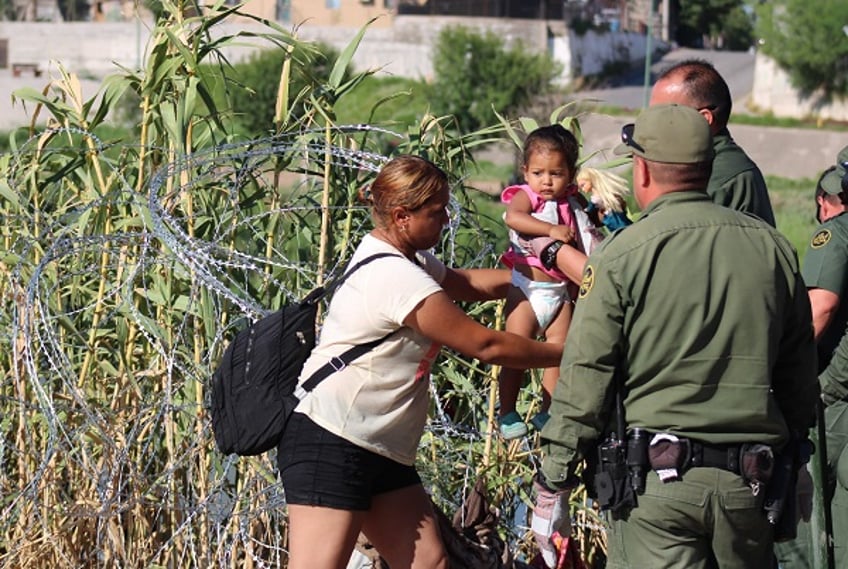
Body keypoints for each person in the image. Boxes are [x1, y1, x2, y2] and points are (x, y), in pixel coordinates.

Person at [532, 104, 819, 569]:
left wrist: (553, 479)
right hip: (752, 485)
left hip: (658, 490)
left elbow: (587, 373)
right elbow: (798, 374)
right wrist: (799, 454)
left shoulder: (623, 254)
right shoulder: (773, 247)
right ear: (706, 169)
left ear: (641, 170)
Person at [276, 154, 563, 569]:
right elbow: (486, 346)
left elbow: (464, 283)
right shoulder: (395, 277)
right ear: (401, 215)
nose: (446, 218)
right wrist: (566, 354)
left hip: (380, 447)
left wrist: (536, 279)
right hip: (332, 439)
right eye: (436, 211)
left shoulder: (407, 258)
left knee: (429, 563)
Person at [496, 124, 583, 439]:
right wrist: (551, 231)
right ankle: (507, 411)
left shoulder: (572, 201)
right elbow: (513, 218)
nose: (546, 181)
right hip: (527, 288)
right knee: (515, 353)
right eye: (538, 172)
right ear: (525, 172)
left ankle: (548, 410)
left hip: (559, 292)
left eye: (556, 173)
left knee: (558, 353)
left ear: (571, 174)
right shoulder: (526, 196)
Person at [784, 148, 848, 569]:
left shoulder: (838, 233)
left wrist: (781, 366)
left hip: (835, 391)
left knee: (804, 496)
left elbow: (819, 309)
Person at [649, 58, 777, 226]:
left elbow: (672, 241)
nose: (650, 124)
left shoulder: (715, 177)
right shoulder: (698, 163)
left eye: (664, 115)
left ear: (703, 119)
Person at [577, 167, 633, 232]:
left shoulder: (598, 197)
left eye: (583, 185)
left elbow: (591, 206)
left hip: (613, 218)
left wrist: (586, 211)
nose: (583, 189)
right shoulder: (598, 196)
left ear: (590, 180)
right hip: (610, 219)